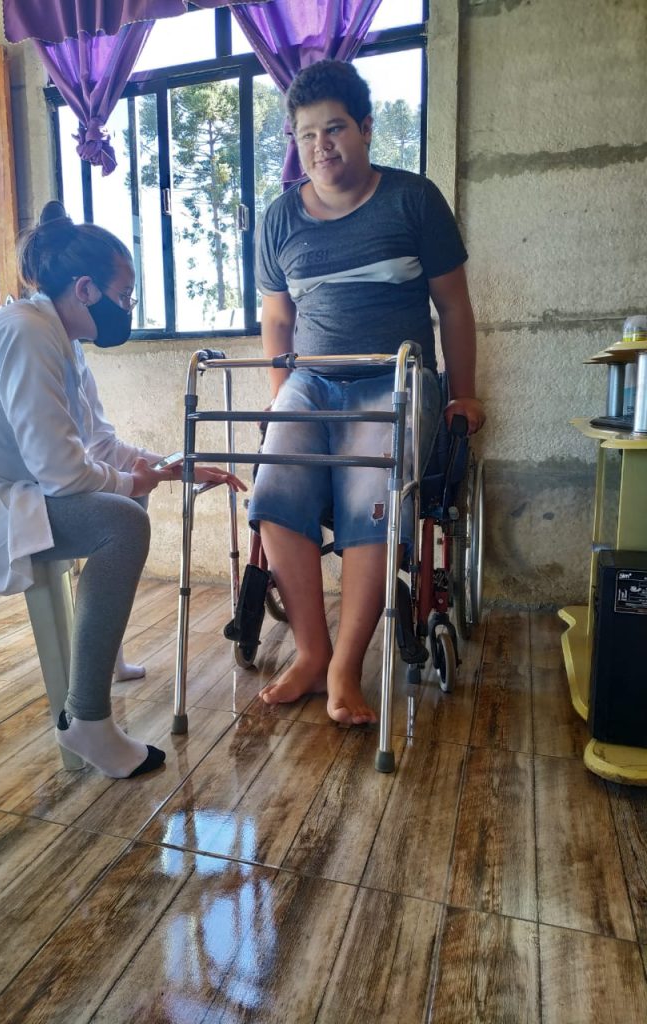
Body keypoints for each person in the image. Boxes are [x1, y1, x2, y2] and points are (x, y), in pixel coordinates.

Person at [0, 201, 245, 778]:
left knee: (124, 499)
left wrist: (170, 466)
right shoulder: (26, 336)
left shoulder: (60, 339)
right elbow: (63, 475)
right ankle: (88, 720)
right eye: (124, 295)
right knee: (121, 521)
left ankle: (102, 654)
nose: (128, 308)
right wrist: (135, 480)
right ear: (85, 289)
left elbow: (99, 443)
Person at [248, 60, 485, 726]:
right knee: (275, 491)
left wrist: (464, 394)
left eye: (334, 129)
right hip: (310, 381)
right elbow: (276, 319)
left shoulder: (413, 200)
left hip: (395, 380)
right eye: (306, 135)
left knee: (367, 497)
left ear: (366, 128)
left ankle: (347, 667)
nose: (320, 146)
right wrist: (281, 395)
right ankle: (312, 652)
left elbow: (454, 307)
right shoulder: (279, 219)